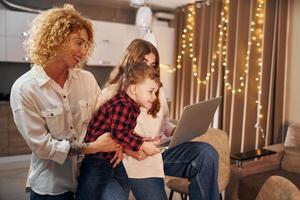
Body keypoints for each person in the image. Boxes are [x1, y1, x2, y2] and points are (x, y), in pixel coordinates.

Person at [10, 5, 121, 200]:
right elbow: (43, 147)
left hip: (90, 176)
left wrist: (117, 142)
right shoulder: (25, 89)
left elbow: (104, 118)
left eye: (87, 45)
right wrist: (94, 146)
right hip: (51, 187)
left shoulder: (86, 79)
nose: (84, 51)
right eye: (79, 43)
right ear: (56, 39)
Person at [102, 39, 220, 200]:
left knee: (206, 153)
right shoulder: (110, 94)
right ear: (131, 62)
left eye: (153, 64)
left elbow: (164, 122)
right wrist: (131, 147)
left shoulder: (158, 90)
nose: (148, 68)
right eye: (144, 62)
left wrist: (177, 131)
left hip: (161, 151)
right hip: (136, 159)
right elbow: (103, 137)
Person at [77, 62, 161, 200]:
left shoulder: (130, 105)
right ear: (133, 89)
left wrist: (142, 140)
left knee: (123, 184)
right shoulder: (122, 105)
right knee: (89, 193)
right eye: (151, 91)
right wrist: (142, 145)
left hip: (111, 158)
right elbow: (118, 134)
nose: (154, 97)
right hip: (96, 159)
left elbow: (123, 129)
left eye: (155, 92)